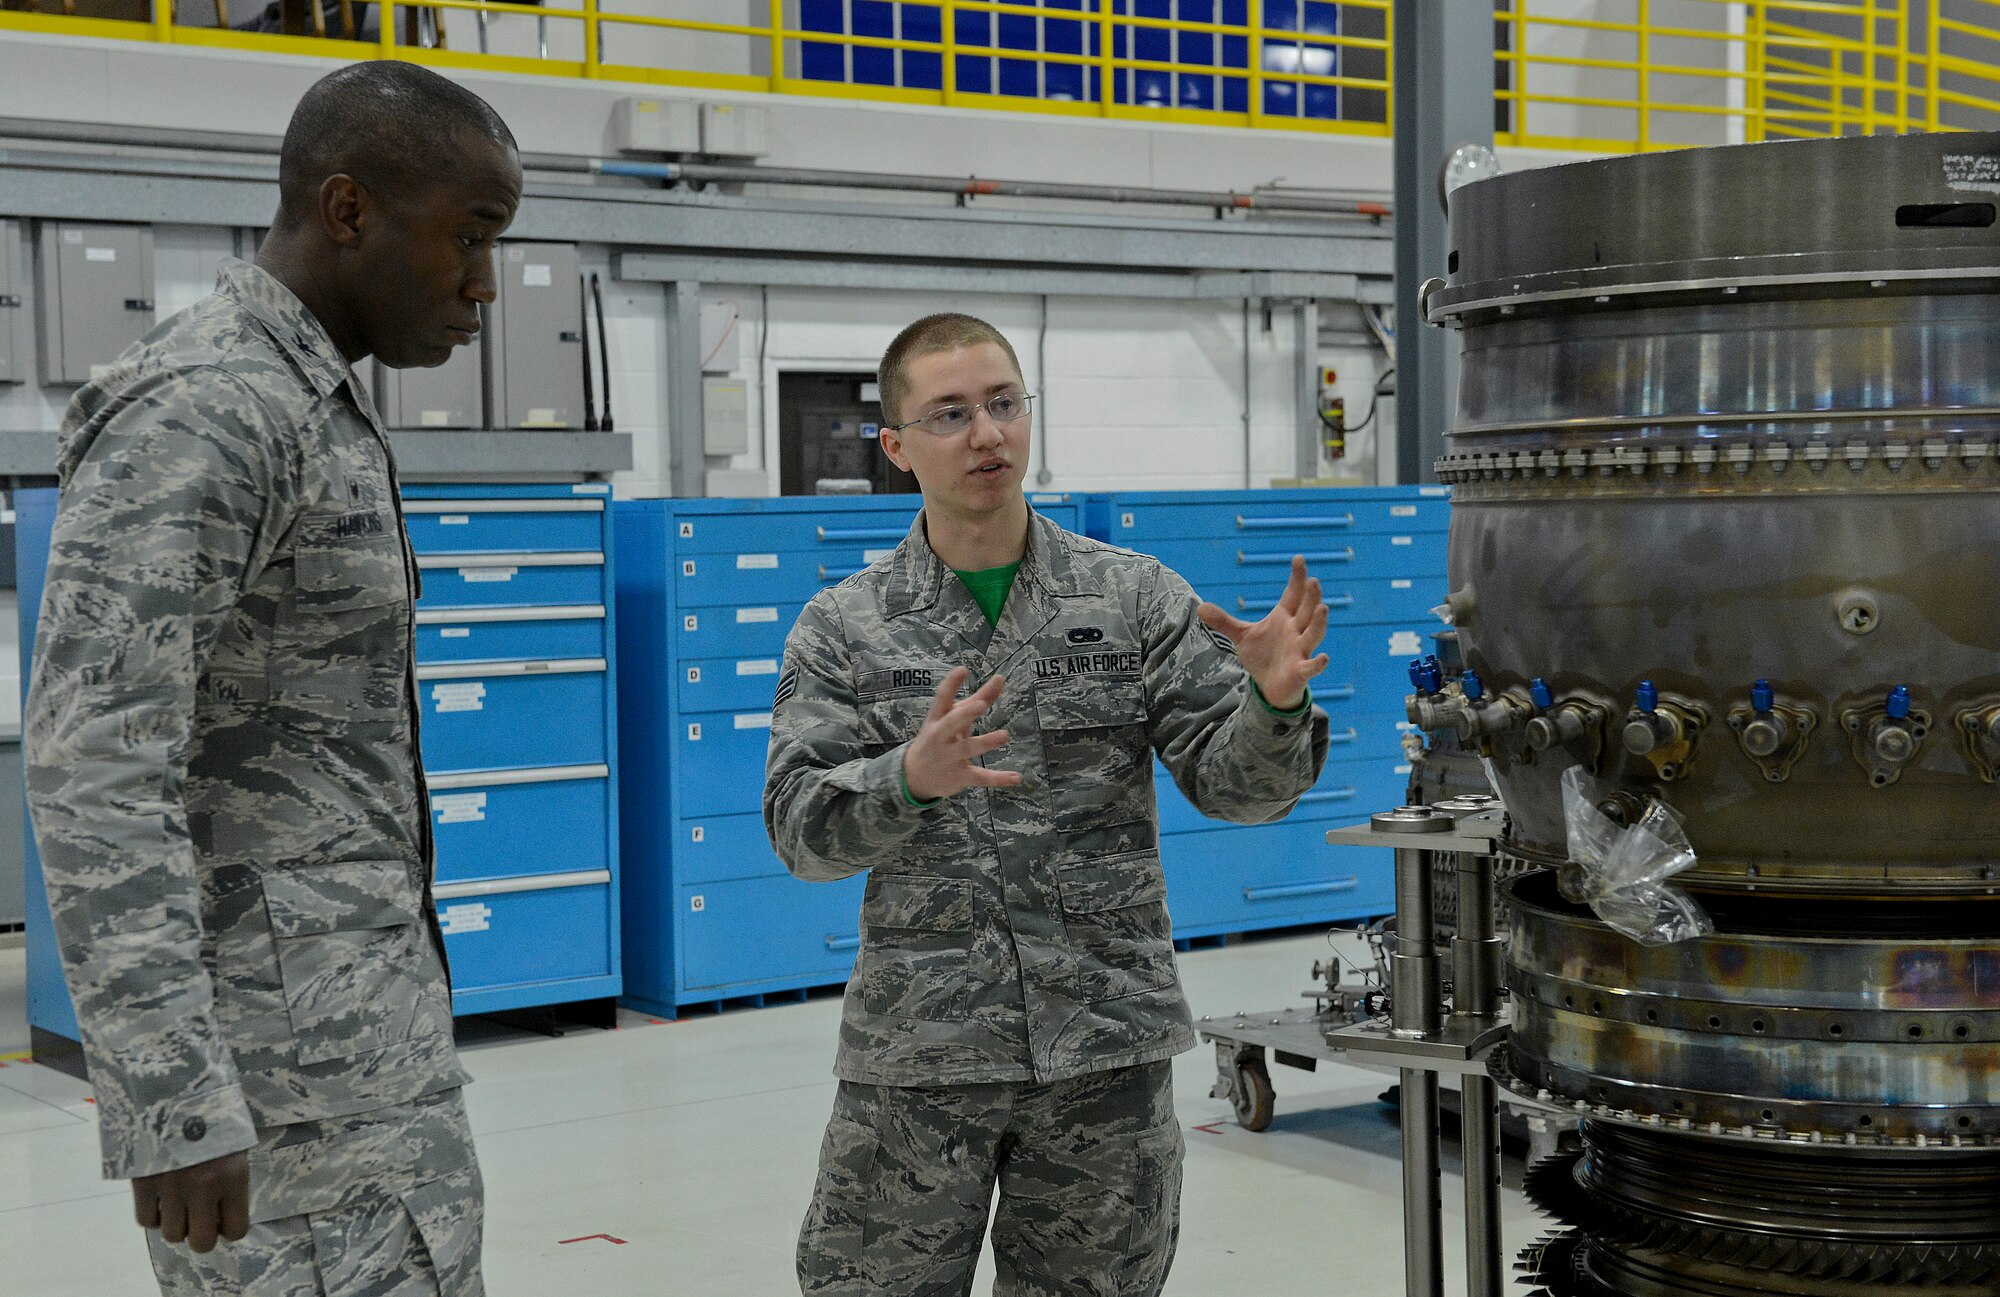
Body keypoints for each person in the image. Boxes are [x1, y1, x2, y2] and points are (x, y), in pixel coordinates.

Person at [22, 62, 521, 1296]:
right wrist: (171, 1094)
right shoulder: (209, 409)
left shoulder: (316, 403)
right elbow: (95, 763)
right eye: (469, 236)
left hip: (362, 1063)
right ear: (347, 210)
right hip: (277, 1100)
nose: (486, 284)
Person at [765, 312, 1334, 1295]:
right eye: (949, 413)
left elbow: (1241, 795)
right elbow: (800, 832)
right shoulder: (844, 627)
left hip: (1105, 1057)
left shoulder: (1130, 598)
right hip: (920, 1063)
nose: (985, 433)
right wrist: (906, 777)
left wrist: (1271, 705)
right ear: (895, 446)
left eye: (1002, 404)